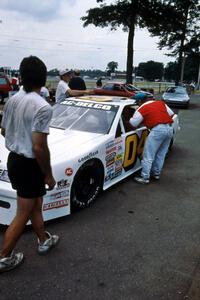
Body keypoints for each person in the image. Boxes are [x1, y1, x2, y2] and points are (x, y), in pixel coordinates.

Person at [0, 56, 59, 273]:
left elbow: (3, 130)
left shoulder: (13, 100)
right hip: (29, 164)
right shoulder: (43, 106)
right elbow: (38, 147)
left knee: (35, 204)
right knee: (24, 211)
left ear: (22, 77)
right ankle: (4, 257)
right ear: (42, 78)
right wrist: (49, 175)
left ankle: (43, 239)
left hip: (14, 160)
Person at [129, 93, 174, 184]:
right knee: (161, 154)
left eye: (137, 102)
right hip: (169, 129)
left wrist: (128, 119)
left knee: (148, 155)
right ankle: (156, 174)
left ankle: (145, 177)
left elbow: (133, 124)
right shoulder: (160, 103)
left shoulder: (141, 108)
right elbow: (172, 114)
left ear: (140, 101)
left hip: (157, 130)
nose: (137, 104)